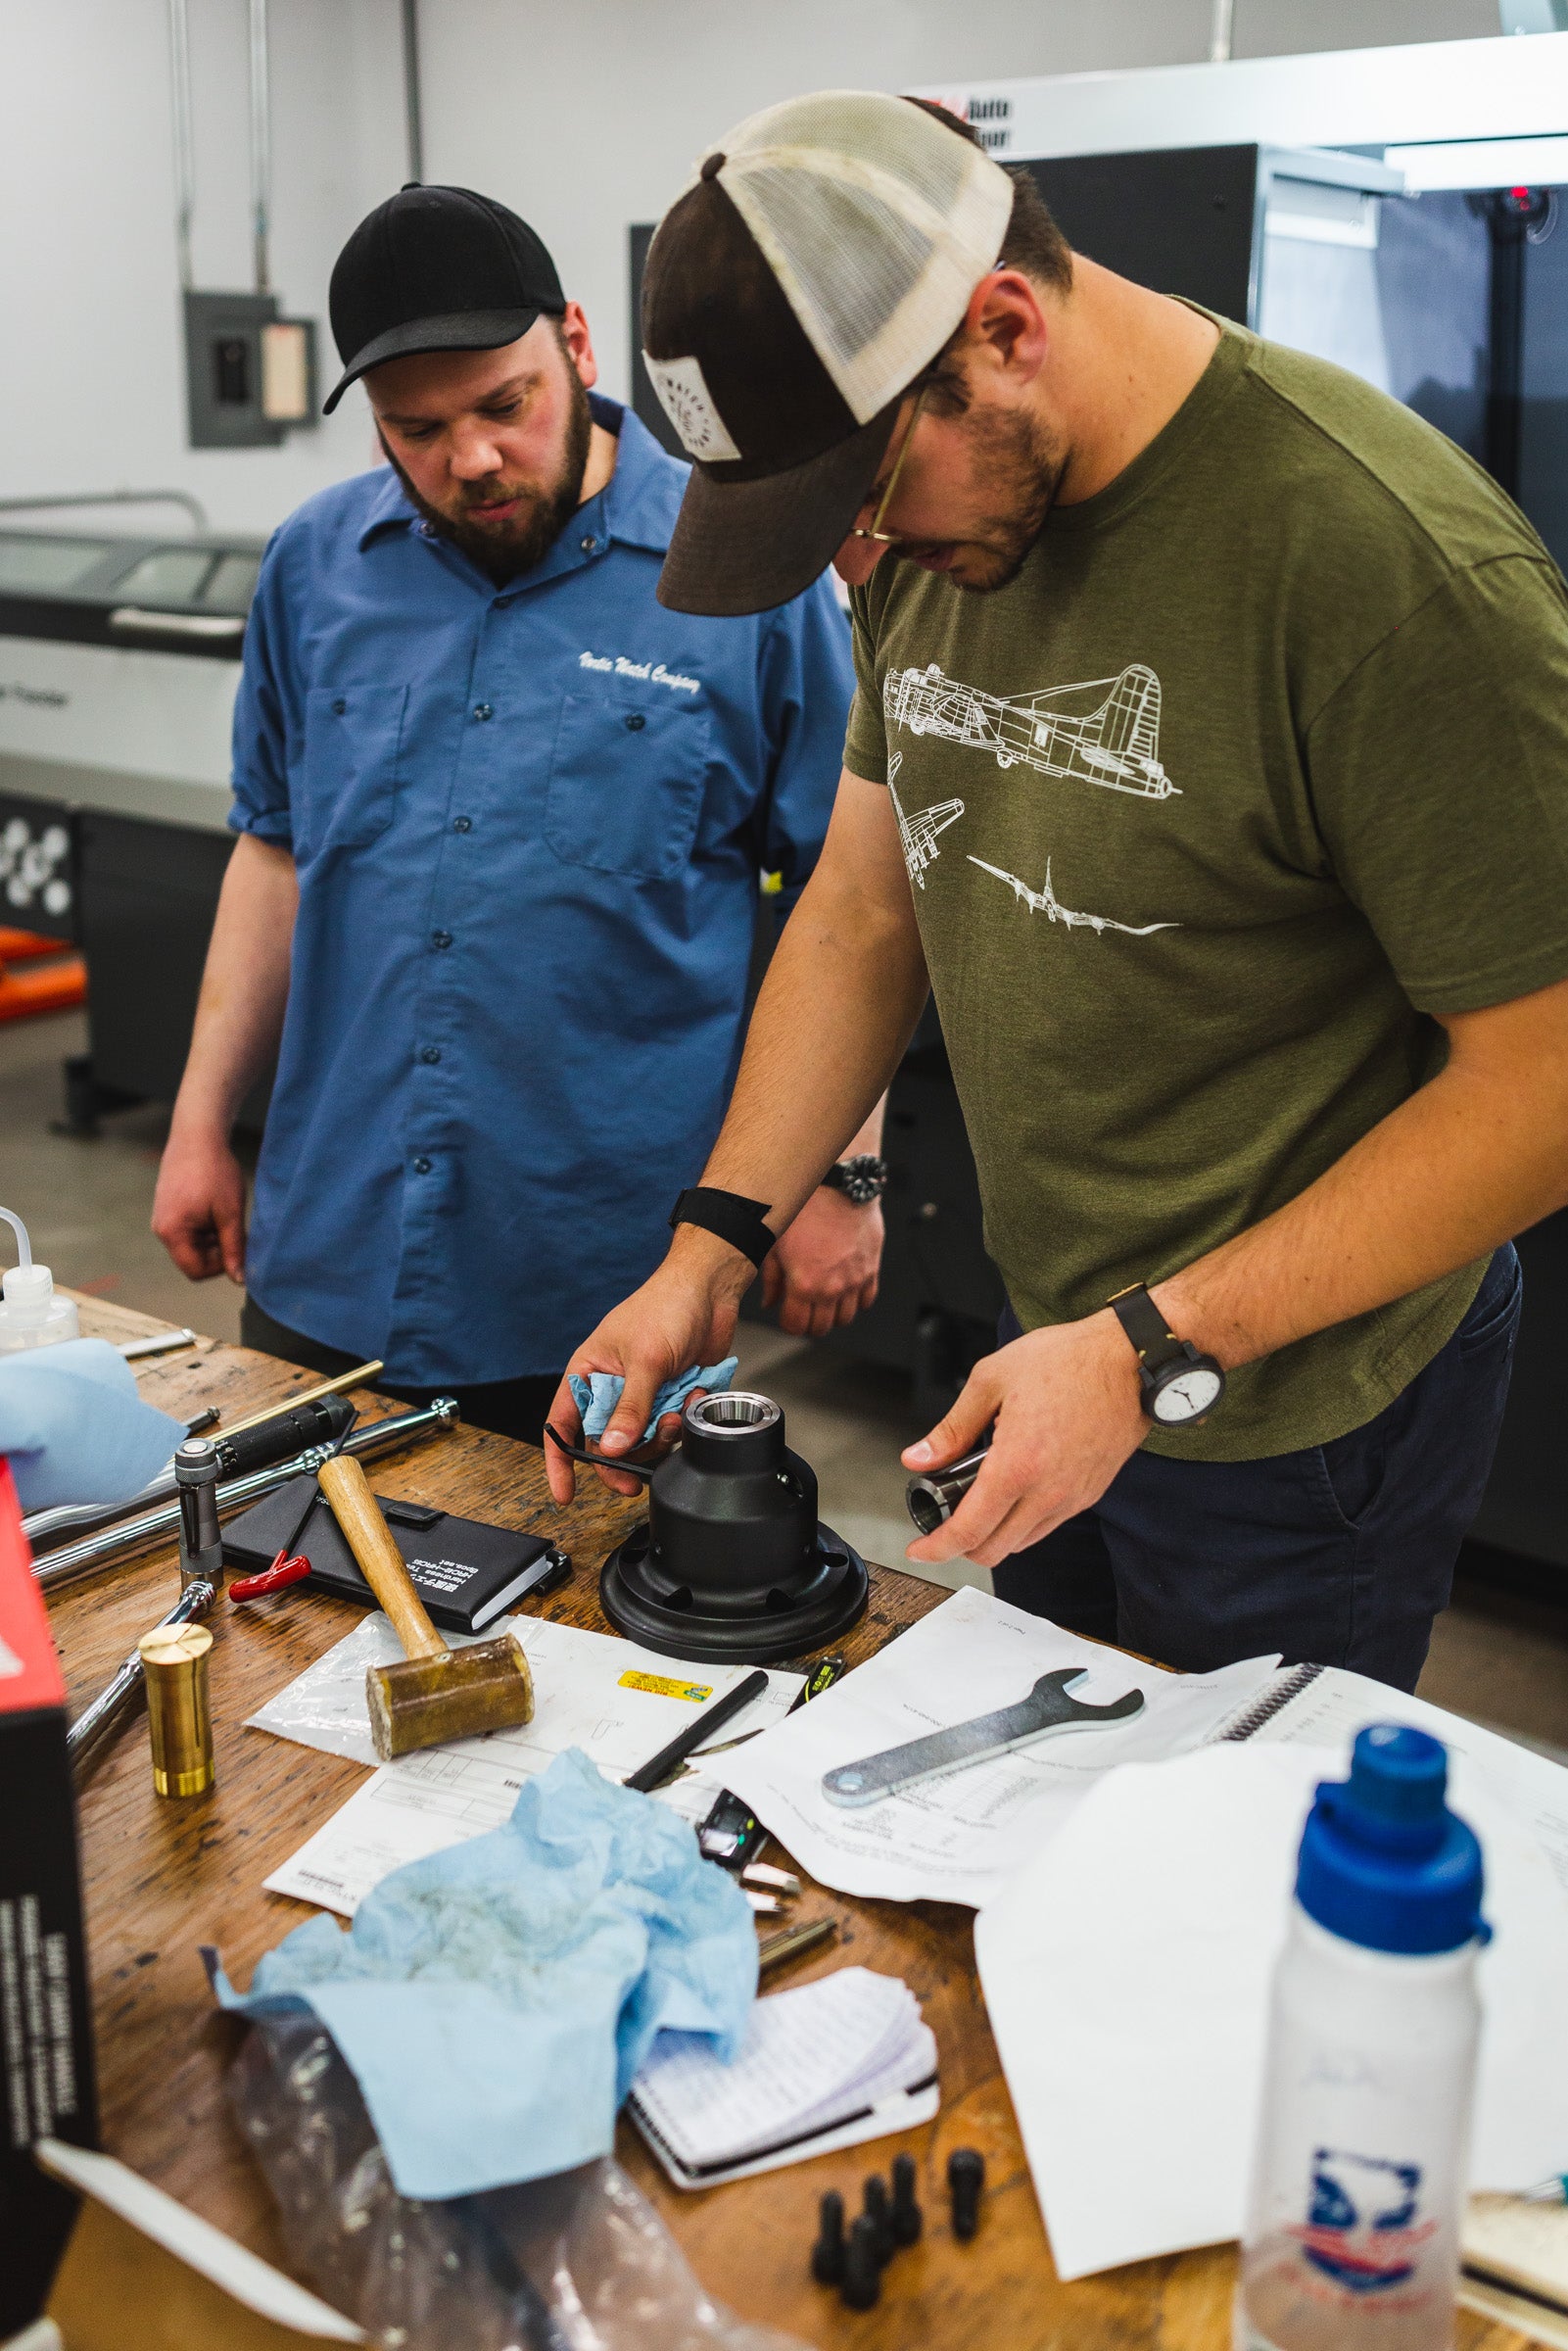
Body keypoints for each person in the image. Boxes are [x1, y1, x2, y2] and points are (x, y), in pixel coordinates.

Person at [546, 92, 1568, 1693]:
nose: (850, 564)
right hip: (1056, 1355)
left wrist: (1152, 1347)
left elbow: (1547, 1084)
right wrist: (710, 1250)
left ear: (1003, 327)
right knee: (1032, 1828)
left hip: (1300, 1419)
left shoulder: (1381, 569)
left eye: (862, 504)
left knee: (1218, 1893)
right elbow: (867, 914)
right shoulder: (948, 528)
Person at [151, 182, 884, 1442]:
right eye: (416, 428)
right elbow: (273, 850)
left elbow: (855, 897)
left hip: (610, 1277)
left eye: (507, 405)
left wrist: (843, 1176)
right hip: (331, 1245)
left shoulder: (745, 578)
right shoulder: (313, 568)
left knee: (601, 1630)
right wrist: (200, 1122)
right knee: (297, 1613)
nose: (472, 459)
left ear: (580, 347)